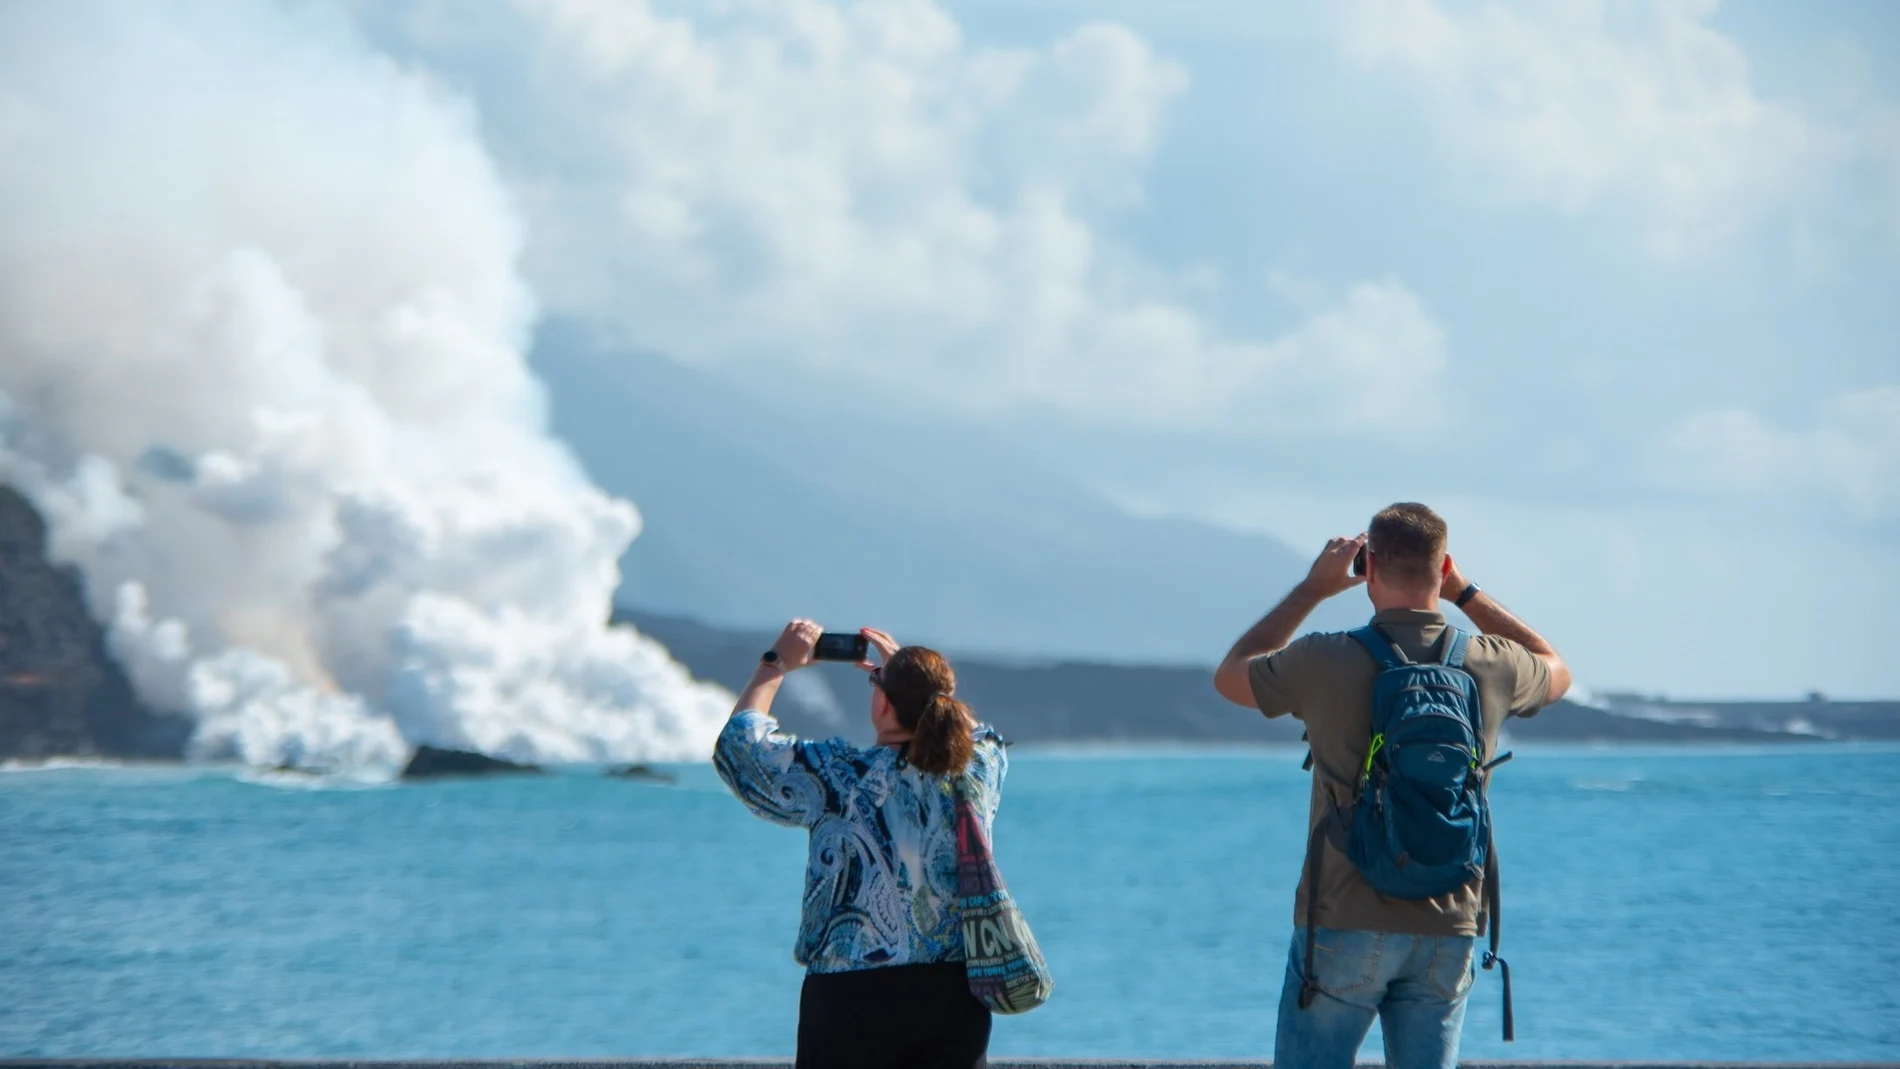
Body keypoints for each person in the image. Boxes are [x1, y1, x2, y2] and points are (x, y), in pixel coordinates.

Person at [1211, 503, 1571, 1069]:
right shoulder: (1492, 663)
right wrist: (1465, 593)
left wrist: (1313, 589)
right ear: (1443, 566)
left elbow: (1233, 674)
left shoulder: (1324, 658)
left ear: (1369, 567)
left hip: (1342, 917)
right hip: (1448, 922)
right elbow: (1557, 669)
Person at [714, 618, 1007, 1069]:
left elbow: (741, 749)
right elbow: (979, 735)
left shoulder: (840, 775)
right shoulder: (975, 773)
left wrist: (774, 665)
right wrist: (913, 680)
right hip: (954, 993)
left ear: (883, 704)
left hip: (851, 995)